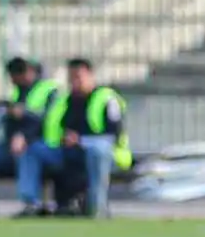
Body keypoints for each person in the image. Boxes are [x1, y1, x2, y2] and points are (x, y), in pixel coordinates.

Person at [22, 58, 132, 217]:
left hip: (106, 154)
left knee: (98, 151)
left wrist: (81, 141)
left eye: (78, 77)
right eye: (71, 78)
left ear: (90, 76)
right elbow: (51, 129)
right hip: (68, 151)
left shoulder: (106, 99)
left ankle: (97, 208)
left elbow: (112, 136)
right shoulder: (64, 100)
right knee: (34, 150)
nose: (75, 82)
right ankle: (31, 204)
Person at [0, 58, 59, 217]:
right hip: (10, 147)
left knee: (28, 152)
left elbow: (48, 120)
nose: (16, 79)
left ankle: (30, 205)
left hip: (40, 146)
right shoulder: (16, 92)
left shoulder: (50, 91)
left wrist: (24, 130)